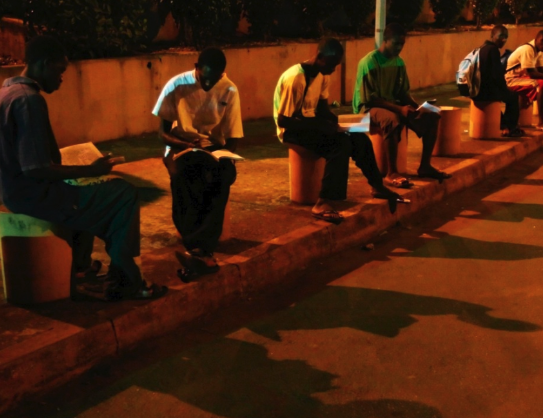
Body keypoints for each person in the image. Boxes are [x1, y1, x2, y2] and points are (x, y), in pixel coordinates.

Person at [0, 36, 165, 301]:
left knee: (91, 191)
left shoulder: (6, 93)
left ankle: (80, 267)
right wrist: (89, 171)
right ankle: (126, 279)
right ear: (43, 65)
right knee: (122, 194)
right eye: (59, 71)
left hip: (12, 190)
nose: (62, 78)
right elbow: (36, 168)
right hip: (33, 195)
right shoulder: (29, 101)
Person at [274, 38, 404, 224]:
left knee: (359, 139)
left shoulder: (322, 74)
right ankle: (323, 201)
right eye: (331, 65)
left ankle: (377, 186)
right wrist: (322, 126)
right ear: (319, 57)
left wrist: (344, 123)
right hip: (291, 129)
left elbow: (322, 110)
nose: (333, 70)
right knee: (339, 145)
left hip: (311, 123)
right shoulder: (296, 78)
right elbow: (284, 120)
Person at [152, 48, 242, 279]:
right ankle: (199, 247)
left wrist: (225, 157)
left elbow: (233, 137)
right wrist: (185, 145)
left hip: (212, 147)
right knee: (183, 175)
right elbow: (163, 133)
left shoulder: (229, 88)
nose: (210, 84)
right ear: (196, 67)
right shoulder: (176, 85)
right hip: (180, 144)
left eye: (216, 78)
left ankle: (200, 249)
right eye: (206, 78)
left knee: (222, 176)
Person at [353, 23, 452, 186]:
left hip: (392, 104)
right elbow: (370, 99)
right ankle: (391, 173)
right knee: (392, 119)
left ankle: (425, 166)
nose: (399, 47)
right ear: (385, 40)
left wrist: (417, 107)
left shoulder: (399, 62)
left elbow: (402, 92)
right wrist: (400, 109)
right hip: (368, 109)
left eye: (402, 44)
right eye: (396, 43)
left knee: (432, 116)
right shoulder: (369, 62)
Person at [474, 25, 525, 137]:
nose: (504, 39)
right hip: (485, 92)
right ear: (492, 36)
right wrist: (505, 89)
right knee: (512, 96)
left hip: (476, 90)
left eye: (506, 37)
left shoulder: (482, 48)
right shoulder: (493, 50)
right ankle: (511, 127)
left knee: (503, 97)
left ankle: (504, 125)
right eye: (501, 36)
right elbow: (497, 76)